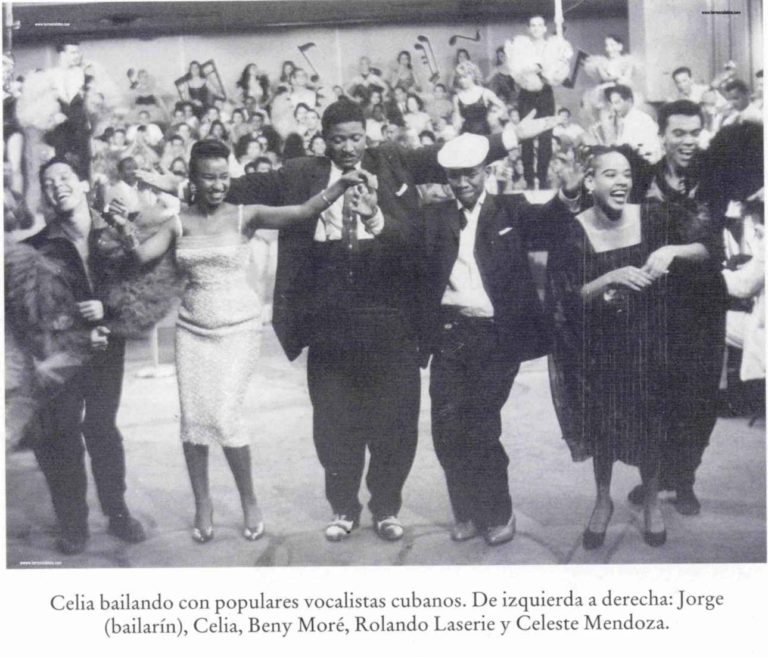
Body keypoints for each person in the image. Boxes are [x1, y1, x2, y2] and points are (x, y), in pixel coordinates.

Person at [138, 100, 557, 543]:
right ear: (324, 139)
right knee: (333, 419)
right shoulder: (300, 173)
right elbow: (239, 186)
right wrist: (180, 185)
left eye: (356, 138)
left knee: (396, 420)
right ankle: (343, 507)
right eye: (338, 139)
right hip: (328, 314)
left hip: (391, 310)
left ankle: (386, 507)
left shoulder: (392, 160)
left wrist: (512, 137)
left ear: (366, 135)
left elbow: (446, 155)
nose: (348, 147)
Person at [108, 139, 370, 543]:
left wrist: (341, 184)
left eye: (223, 177)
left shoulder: (247, 214)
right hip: (192, 329)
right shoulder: (178, 222)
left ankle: (249, 500)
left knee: (225, 417)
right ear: (193, 178)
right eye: (208, 178)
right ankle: (203, 503)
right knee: (193, 421)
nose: (217, 185)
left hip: (239, 328)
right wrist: (123, 231)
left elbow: (303, 211)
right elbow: (142, 257)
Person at [547, 146, 719, 548]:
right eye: (610, 174)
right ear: (590, 182)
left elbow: (707, 247)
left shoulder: (653, 216)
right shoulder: (573, 230)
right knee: (602, 428)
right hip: (600, 348)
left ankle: (652, 503)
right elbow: (565, 297)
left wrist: (672, 249)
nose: (622, 181)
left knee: (651, 426)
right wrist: (610, 278)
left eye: (626, 174)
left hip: (649, 342)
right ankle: (602, 500)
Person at [421, 134, 578, 545]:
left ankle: (497, 512)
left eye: (470, 174)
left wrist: (568, 192)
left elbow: (551, 224)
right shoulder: (434, 216)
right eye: (454, 176)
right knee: (446, 426)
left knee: (479, 423)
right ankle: (466, 512)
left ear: (486, 172)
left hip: (497, 335)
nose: (462, 183)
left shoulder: (512, 209)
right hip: (450, 333)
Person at [21, 157, 147, 555]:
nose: (57, 185)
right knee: (62, 433)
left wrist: (107, 314)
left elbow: (141, 287)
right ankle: (73, 522)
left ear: (83, 183)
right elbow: (32, 314)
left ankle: (117, 512)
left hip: (109, 346)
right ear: (45, 195)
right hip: (65, 354)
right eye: (48, 181)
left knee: (102, 429)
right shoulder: (37, 247)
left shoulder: (116, 232)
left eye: (64, 177)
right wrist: (77, 329)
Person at [506, 14, 573, 188]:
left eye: (540, 25)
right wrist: (530, 69)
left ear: (545, 28)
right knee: (526, 138)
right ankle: (529, 179)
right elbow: (516, 71)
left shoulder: (552, 46)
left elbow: (560, 68)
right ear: (528, 28)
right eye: (533, 25)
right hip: (526, 95)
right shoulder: (521, 46)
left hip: (545, 94)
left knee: (546, 137)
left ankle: (542, 178)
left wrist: (548, 72)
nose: (536, 28)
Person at [598, 85, 661, 162]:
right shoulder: (626, 120)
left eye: (617, 103)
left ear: (629, 101)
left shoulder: (639, 119)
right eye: (612, 103)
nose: (614, 108)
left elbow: (635, 149)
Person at [452, 61, 507, 136]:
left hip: (483, 132)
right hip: (466, 134)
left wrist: (494, 116)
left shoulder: (485, 92)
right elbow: (457, 118)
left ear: (472, 76)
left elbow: (503, 107)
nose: (462, 80)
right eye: (459, 78)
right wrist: (456, 124)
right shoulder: (457, 98)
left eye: (464, 77)